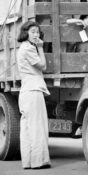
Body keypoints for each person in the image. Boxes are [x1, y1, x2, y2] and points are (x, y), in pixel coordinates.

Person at [17, 21, 51, 169]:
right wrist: (41, 48)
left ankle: (28, 162)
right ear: (26, 33)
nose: (36, 35)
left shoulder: (23, 48)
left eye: (37, 32)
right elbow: (43, 65)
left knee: (27, 129)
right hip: (33, 91)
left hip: (26, 91)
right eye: (33, 32)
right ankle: (38, 161)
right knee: (38, 127)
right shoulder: (29, 49)